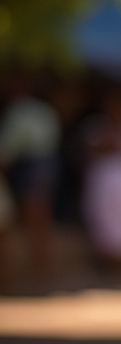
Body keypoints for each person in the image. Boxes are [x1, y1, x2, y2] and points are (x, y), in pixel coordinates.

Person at [79, 89, 121, 275]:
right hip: (103, 180)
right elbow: (88, 151)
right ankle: (108, 263)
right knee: (103, 217)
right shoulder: (96, 127)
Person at [0, 73, 61, 283]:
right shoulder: (42, 109)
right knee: (41, 217)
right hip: (47, 163)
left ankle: (41, 268)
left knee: (34, 215)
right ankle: (43, 267)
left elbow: (7, 150)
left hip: (32, 166)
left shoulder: (18, 112)